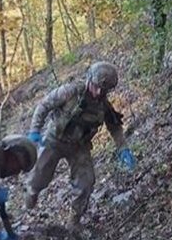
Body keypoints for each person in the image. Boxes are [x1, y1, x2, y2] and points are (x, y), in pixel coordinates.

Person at [24, 61, 136, 230]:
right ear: (89, 79)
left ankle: (74, 221)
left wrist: (123, 148)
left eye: (104, 90)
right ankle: (31, 194)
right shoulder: (70, 92)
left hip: (79, 146)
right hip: (55, 139)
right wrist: (35, 131)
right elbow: (44, 106)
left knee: (86, 183)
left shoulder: (103, 105)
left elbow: (114, 126)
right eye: (97, 87)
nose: (99, 93)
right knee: (39, 175)